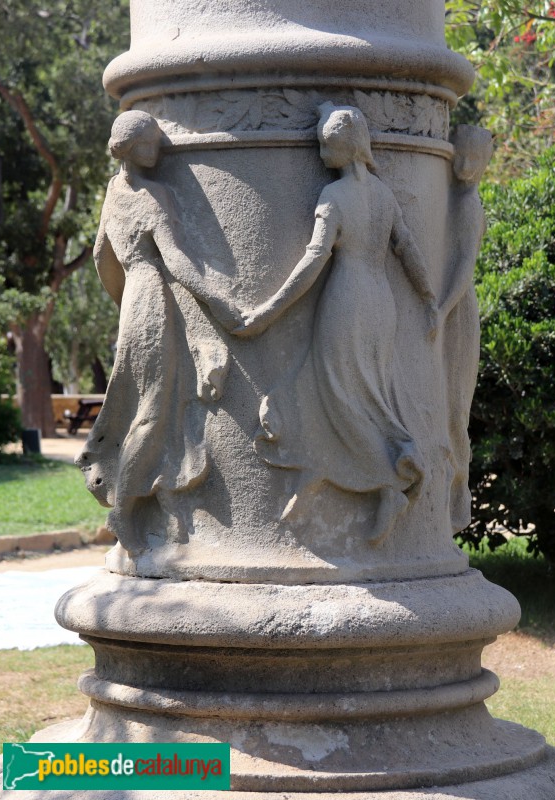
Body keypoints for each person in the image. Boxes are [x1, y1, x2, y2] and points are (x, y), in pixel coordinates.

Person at [234, 103, 437, 544]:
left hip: (346, 300)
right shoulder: (383, 195)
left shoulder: (335, 197)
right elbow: (408, 249)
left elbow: (313, 261)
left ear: (348, 147)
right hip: (382, 303)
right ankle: (322, 477)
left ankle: (391, 481)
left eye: (327, 143)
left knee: (343, 396)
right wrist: (427, 297)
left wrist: (270, 309)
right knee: (355, 394)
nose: (321, 150)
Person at [76, 110, 238, 554]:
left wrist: (123, 299)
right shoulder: (155, 197)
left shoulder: (113, 193)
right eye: (149, 142)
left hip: (133, 300)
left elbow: (99, 257)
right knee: (152, 410)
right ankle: (124, 508)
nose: (159, 148)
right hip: (153, 300)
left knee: (146, 405)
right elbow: (179, 262)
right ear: (128, 147)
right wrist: (218, 299)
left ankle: (156, 488)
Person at [440, 125, 493, 532]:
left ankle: (458, 498)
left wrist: (441, 311)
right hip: (446, 307)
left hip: (456, 311)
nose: (467, 165)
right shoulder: (449, 197)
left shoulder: (467, 204)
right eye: (463, 154)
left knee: (456, 409)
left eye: (476, 158)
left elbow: (463, 268)